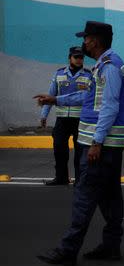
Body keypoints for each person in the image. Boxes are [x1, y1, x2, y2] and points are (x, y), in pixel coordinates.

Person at [33, 21, 124, 266]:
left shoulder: (108, 67)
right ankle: (111, 246)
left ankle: (68, 251)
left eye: (86, 39)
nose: (83, 43)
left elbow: (109, 106)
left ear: (95, 41)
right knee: (109, 196)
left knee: (84, 196)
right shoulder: (105, 65)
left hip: (101, 144)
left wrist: (97, 142)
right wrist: (56, 99)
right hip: (106, 144)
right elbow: (87, 97)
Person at [39, 46, 92, 185]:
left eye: (81, 57)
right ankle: (61, 177)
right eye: (76, 57)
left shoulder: (88, 75)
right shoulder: (59, 74)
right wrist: (44, 115)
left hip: (80, 119)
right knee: (59, 149)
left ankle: (80, 179)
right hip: (62, 119)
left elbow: (90, 98)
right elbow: (51, 96)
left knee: (80, 152)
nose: (79, 60)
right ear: (70, 58)